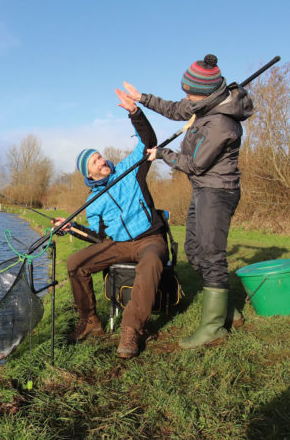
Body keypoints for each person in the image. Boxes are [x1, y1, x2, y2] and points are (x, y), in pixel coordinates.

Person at [121, 54, 254, 349]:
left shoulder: (221, 124)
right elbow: (173, 109)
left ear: (206, 93)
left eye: (190, 92)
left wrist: (162, 154)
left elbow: (195, 164)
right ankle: (228, 311)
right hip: (202, 190)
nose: (186, 97)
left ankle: (213, 328)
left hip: (218, 191)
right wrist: (141, 98)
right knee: (194, 251)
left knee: (211, 254)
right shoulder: (202, 104)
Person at [52, 93, 166, 359]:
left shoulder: (129, 170)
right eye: (95, 161)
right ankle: (90, 321)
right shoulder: (93, 202)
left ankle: (131, 329)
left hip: (149, 239)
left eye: (100, 156)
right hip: (118, 245)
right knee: (75, 263)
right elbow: (99, 238)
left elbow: (149, 142)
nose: (102, 160)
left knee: (151, 262)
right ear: (89, 174)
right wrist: (71, 228)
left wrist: (135, 113)